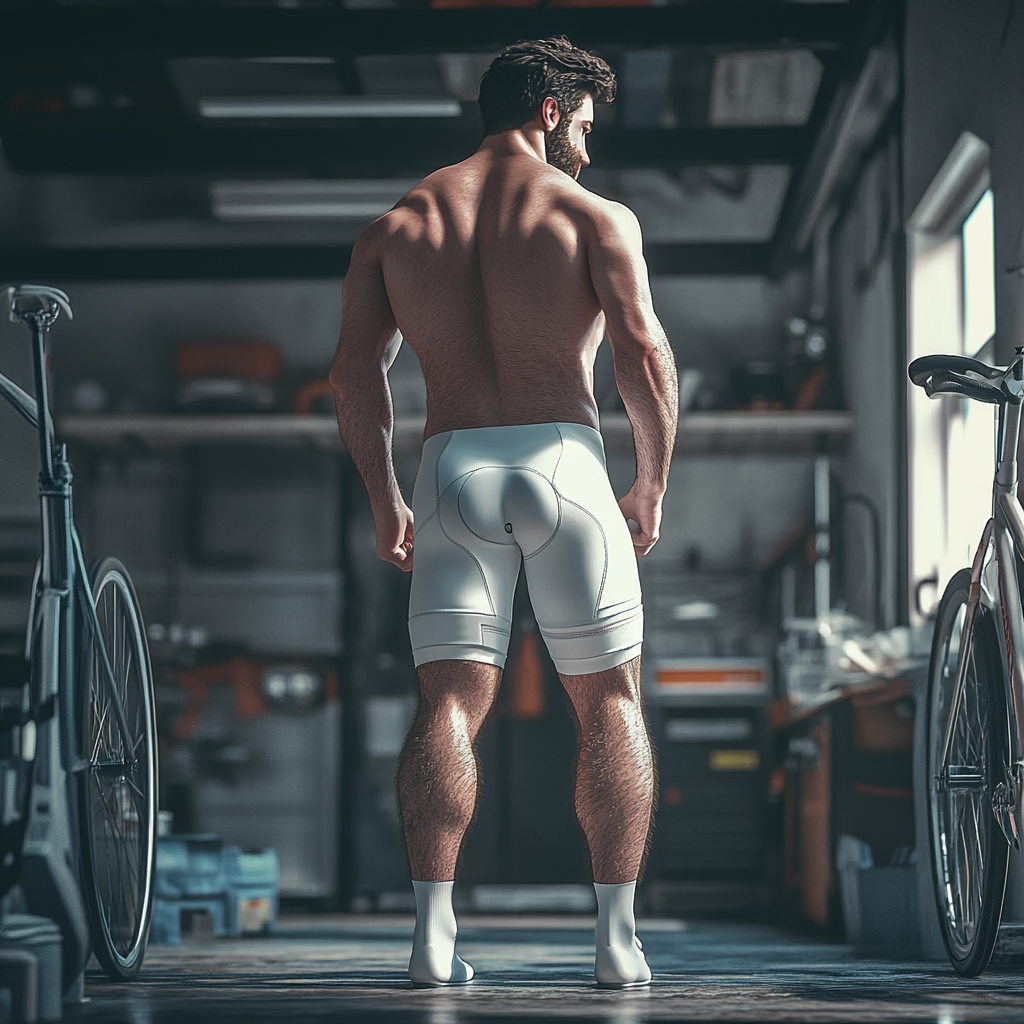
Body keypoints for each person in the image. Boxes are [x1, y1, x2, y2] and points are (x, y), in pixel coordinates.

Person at [330, 36, 678, 989]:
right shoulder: (594, 215)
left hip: (451, 471)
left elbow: (355, 373)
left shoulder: (397, 226)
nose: (590, 152)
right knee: (608, 699)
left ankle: (431, 942)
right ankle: (615, 944)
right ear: (552, 112)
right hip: (562, 458)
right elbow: (642, 353)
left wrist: (384, 496)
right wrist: (649, 481)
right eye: (588, 128)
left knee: (447, 702)